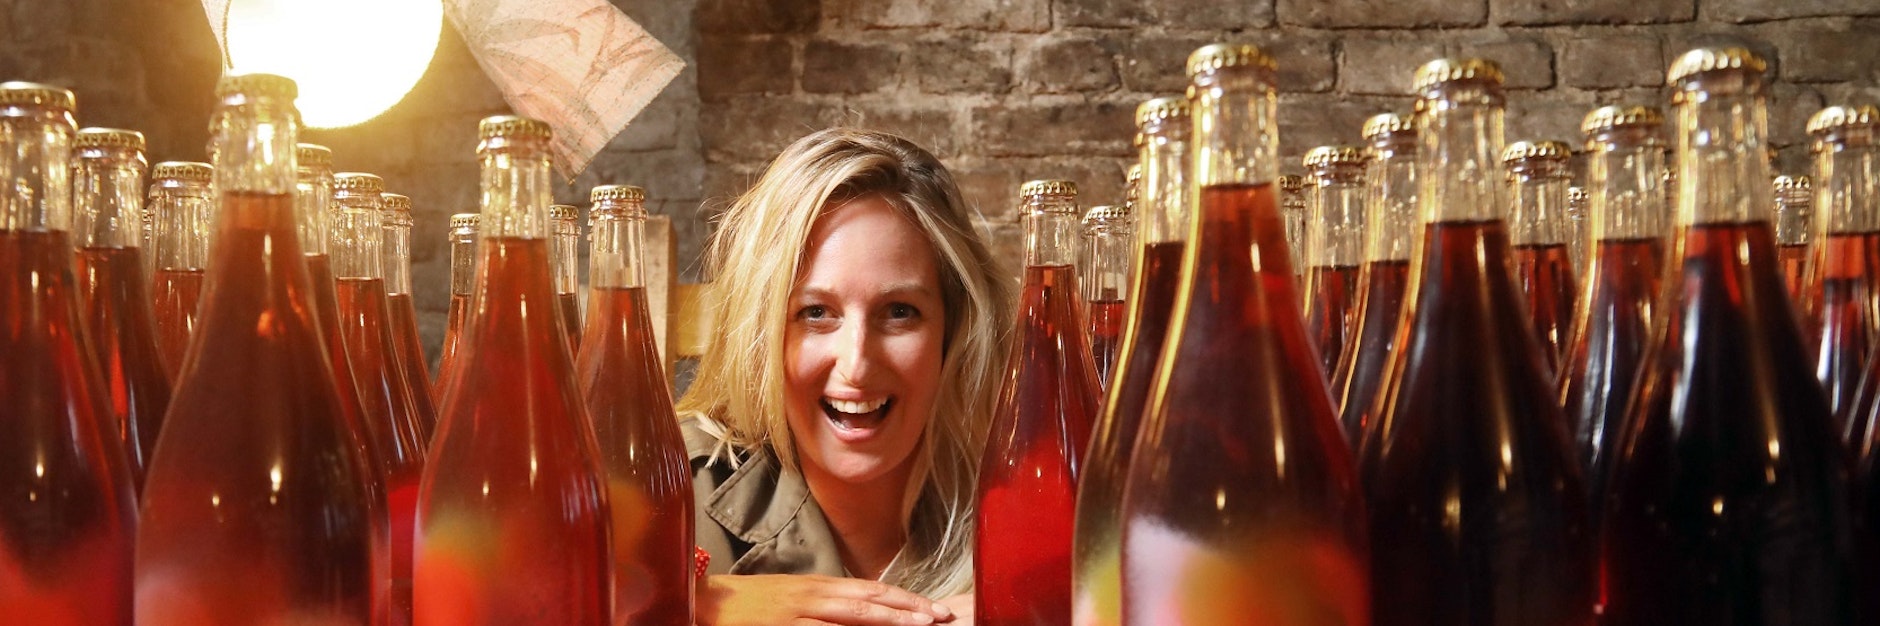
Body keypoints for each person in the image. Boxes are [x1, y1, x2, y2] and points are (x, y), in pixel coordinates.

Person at [677, 128, 1014, 625]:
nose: (856, 365)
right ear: (763, 331)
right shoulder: (671, 491)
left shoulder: (1025, 492)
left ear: (953, 330)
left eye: (900, 311)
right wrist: (690, 608)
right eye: (816, 312)